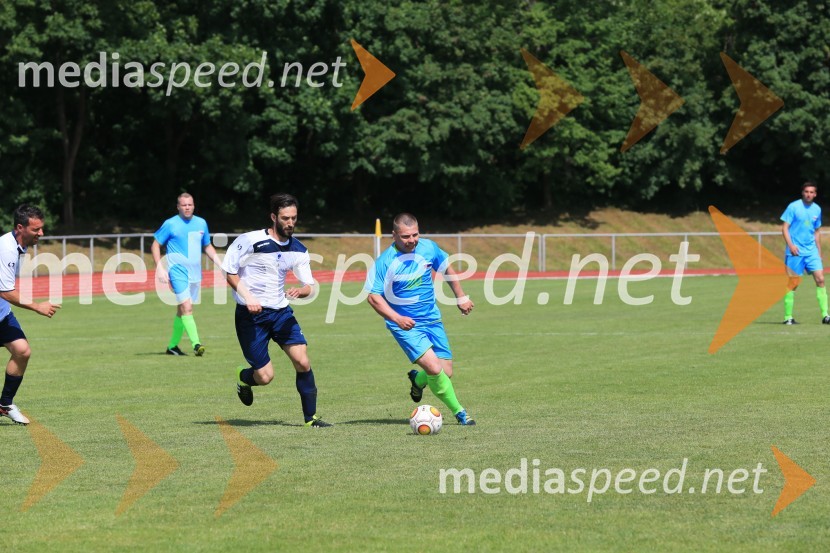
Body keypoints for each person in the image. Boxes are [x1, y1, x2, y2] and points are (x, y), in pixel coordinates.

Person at [221, 193, 331, 428]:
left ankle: (310, 419)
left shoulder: (299, 250)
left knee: (302, 361)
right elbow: (229, 272)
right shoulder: (250, 241)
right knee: (265, 377)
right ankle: (244, 378)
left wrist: (301, 291)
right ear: (273, 217)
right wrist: (248, 297)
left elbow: (309, 286)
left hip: (281, 313)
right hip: (251, 316)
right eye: (285, 218)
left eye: (294, 218)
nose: (290, 223)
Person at [366, 213, 476, 426]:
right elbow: (373, 297)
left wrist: (461, 296)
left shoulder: (429, 247)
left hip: (432, 319)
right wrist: (397, 319)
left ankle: (417, 380)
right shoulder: (385, 261)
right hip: (405, 325)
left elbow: (446, 268)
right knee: (435, 369)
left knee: (446, 372)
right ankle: (461, 413)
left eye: (415, 234)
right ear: (394, 235)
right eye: (406, 236)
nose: (412, 240)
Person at [0, 205, 61, 425]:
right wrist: (37, 307)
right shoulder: (6, 249)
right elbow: (5, 291)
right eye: (36, 229)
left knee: (22, 351)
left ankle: (5, 404)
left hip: (2, 314)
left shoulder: (19, 246)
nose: (41, 234)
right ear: (20, 227)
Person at [152, 193, 219, 355]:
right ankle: (196, 344)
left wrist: (220, 263)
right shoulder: (170, 224)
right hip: (177, 272)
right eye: (184, 205)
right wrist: (160, 268)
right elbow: (155, 245)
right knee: (187, 308)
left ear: (194, 205)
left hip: (195, 274)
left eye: (190, 204)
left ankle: (172, 346)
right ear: (178, 207)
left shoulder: (201, 223)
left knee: (181, 310)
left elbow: (207, 246)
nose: (187, 207)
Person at [781, 181, 828, 325]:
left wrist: (819, 251)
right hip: (795, 252)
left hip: (811, 251)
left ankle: (826, 315)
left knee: (820, 279)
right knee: (793, 283)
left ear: (815, 194)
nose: (809, 194)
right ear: (803, 192)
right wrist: (791, 246)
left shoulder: (817, 209)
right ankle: (788, 317)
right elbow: (784, 228)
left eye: (811, 192)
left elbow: (817, 231)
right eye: (806, 191)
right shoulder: (793, 206)